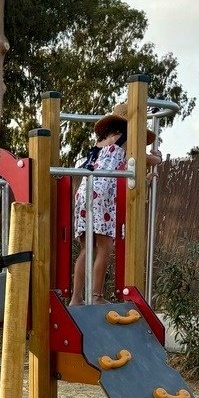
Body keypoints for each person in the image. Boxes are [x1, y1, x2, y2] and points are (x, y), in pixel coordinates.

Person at [70, 102, 162, 306]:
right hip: (102, 193)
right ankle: (96, 296)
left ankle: (76, 298)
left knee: (87, 249)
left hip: (84, 191)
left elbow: (122, 169)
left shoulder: (101, 143)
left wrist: (143, 176)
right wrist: (157, 158)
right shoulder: (126, 139)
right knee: (105, 247)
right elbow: (146, 159)